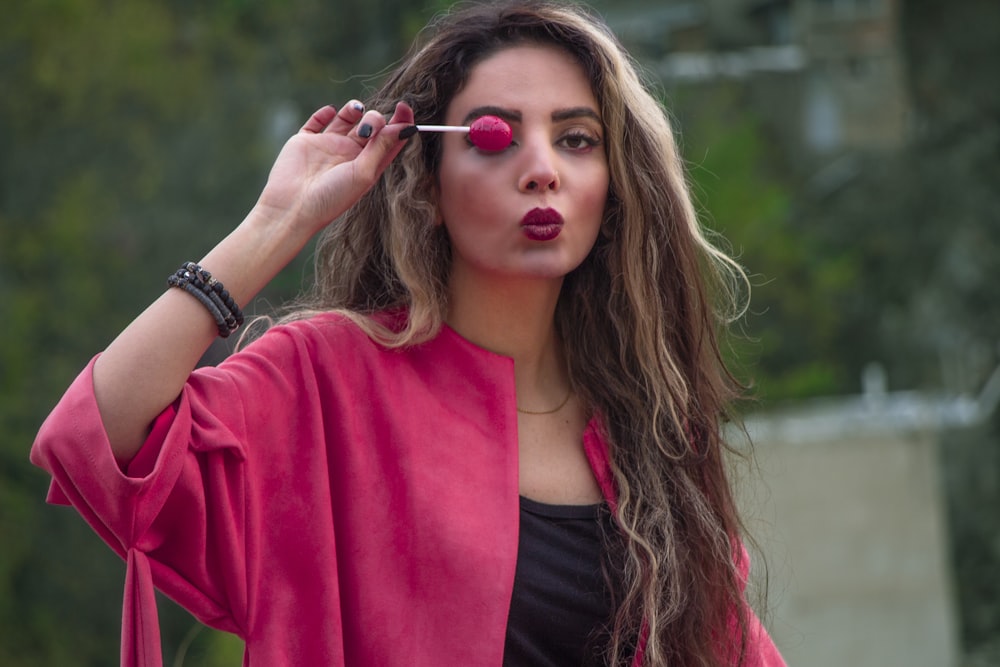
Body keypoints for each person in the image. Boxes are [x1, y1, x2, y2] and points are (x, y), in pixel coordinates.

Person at [31, 1, 786, 665]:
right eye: (496, 137)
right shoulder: (329, 380)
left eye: (576, 139)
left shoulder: (648, 428)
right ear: (425, 183)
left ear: (613, 183)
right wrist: (276, 223)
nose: (541, 169)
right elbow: (100, 437)